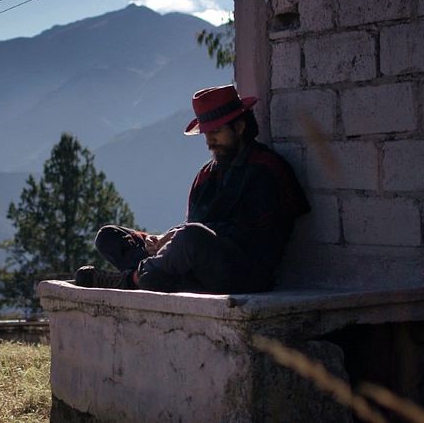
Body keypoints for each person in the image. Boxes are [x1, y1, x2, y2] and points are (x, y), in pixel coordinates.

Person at [74, 84, 309, 293]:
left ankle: (131, 280)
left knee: (190, 239)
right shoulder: (207, 176)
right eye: (207, 133)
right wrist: (163, 241)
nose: (209, 141)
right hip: (193, 264)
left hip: (243, 272)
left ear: (238, 127)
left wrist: (177, 238)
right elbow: (194, 225)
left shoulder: (267, 170)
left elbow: (252, 236)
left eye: (216, 131)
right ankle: (155, 276)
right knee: (109, 235)